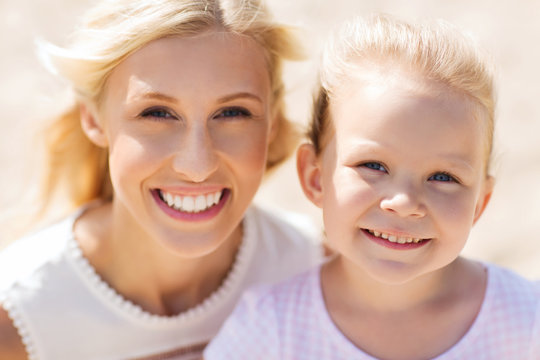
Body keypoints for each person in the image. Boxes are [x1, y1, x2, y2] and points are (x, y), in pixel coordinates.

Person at [205, 14, 540, 359]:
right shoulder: (267, 330)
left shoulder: (526, 323)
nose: (404, 202)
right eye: (373, 166)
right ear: (315, 177)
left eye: (443, 177)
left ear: (480, 203)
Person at [0, 0, 322, 359]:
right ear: (93, 119)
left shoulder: (313, 269)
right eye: (157, 113)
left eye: (233, 112)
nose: (197, 165)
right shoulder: (17, 319)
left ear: (272, 123)